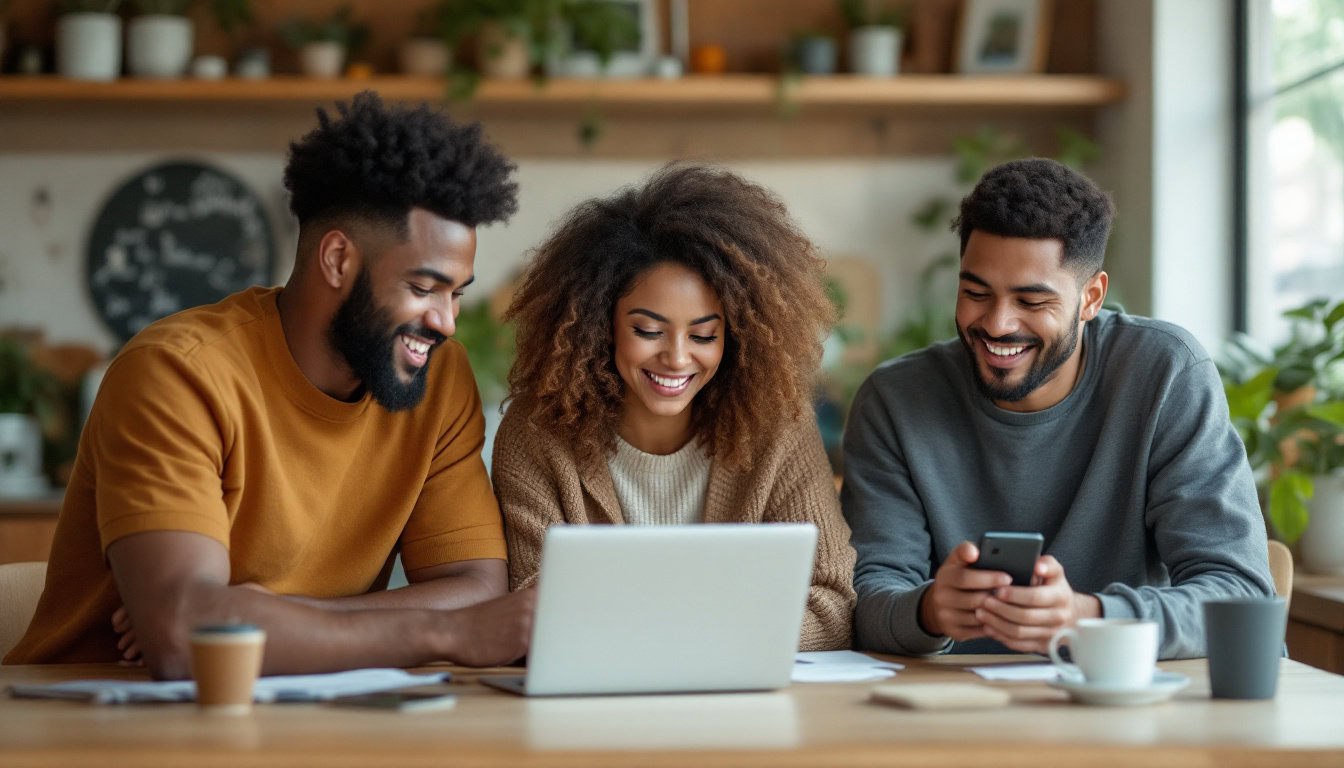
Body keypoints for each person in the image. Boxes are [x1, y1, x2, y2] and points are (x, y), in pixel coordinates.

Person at [4, 93, 536, 677]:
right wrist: (444, 630)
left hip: (309, 717)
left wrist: (263, 613)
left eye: (456, 293)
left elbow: (478, 589)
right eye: (424, 287)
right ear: (338, 260)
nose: (446, 321)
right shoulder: (178, 371)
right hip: (102, 721)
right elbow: (184, 640)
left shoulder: (438, 380)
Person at [842, 158, 1275, 659]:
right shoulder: (895, 401)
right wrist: (929, 611)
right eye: (975, 293)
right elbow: (868, 603)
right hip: (957, 715)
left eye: (1031, 301)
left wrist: (1086, 618)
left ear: (1091, 297)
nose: (998, 324)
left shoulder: (1164, 374)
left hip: (1123, 702)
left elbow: (1239, 595)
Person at [492, 164, 857, 650]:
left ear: (737, 335)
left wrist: (681, 638)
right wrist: (727, 628)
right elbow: (528, 611)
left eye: (704, 335)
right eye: (648, 331)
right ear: (600, 324)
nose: (678, 357)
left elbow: (833, 605)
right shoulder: (537, 433)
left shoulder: (780, 428)